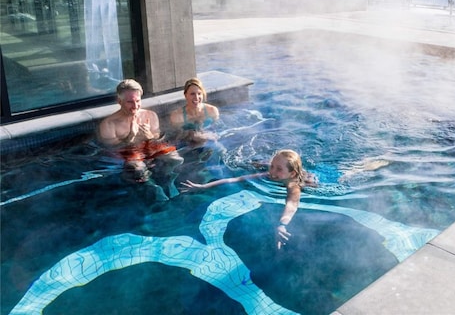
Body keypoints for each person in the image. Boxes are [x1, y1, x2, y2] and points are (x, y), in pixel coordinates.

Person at [181, 149, 316, 249]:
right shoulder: (270, 174)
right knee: (253, 164)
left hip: (309, 180)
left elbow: (292, 205)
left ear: (292, 173)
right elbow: (235, 179)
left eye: (279, 169)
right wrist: (204, 186)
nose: (272, 172)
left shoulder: (293, 185)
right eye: (272, 166)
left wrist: (282, 225)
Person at [98, 79, 184, 202]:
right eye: (130, 102)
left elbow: (157, 137)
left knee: (176, 159)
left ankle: (169, 180)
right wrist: (131, 136)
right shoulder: (109, 124)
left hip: (149, 146)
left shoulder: (150, 115)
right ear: (119, 101)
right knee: (138, 169)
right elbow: (112, 149)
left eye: (138, 101)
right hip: (128, 151)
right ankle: (154, 187)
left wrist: (150, 136)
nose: (135, 106)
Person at [169, 78, 222, 154]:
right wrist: (191, 135)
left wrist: (206, 136)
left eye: (199, 93)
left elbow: (218, 129)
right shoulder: (177, 116)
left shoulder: (212, 111)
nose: (196, 97)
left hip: (209, 140)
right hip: (188, 144)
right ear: (185, 95)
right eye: (192, 94)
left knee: (221, 151)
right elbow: (177, 137)